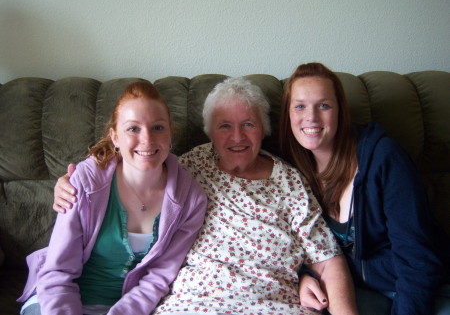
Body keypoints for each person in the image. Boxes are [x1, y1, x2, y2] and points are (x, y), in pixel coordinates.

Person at [52, 77, 359, 314]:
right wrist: (70, 181)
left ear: (263, 128)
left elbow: (328, 260)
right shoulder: (188, 169)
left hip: (274, 304)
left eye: (248, 124)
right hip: (193, 305)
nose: (237, 137)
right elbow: (133, 161)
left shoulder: (289, 182)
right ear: (210, 131)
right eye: (225, 125)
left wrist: (308, 278)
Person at [18, 81, 208, 315]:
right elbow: (57, 272)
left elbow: (158, 277)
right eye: (133, 129)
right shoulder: (84, 183)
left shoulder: (191, 199)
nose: (147, 139)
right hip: (55, 302)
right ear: (115, 137)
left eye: (158, 127)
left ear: (170, 134)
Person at [279, 62, 450, 315]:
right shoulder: (288, 172)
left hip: (422, 289)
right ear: (288, 115)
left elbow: (417, 260)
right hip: (358, 292)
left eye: (324, 105)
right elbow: (292, 246)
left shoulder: (383, 158)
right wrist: (304, 276)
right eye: (300, 106)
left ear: (340, 111)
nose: (311, 117)